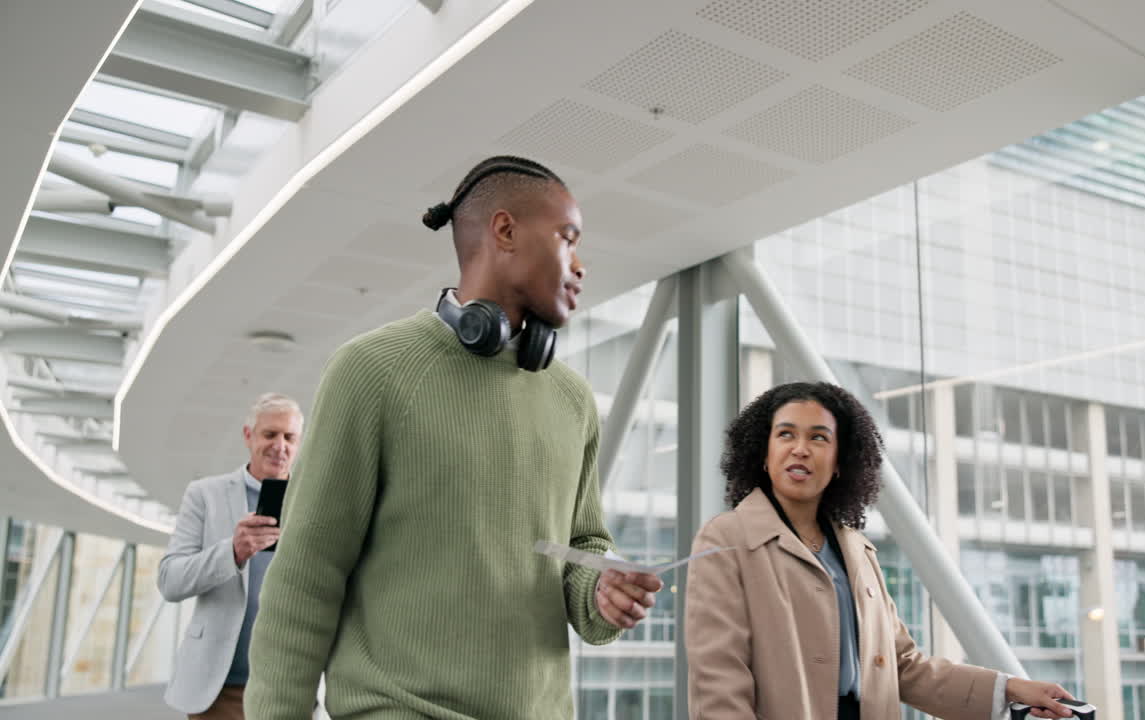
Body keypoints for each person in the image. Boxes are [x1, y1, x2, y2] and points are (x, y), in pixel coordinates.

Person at [245, 156, 662, 720]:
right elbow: (306, 574)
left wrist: (599, 590)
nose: (580, 264)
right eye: (568, 238)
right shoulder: (372, 370)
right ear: (505, 231)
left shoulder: (572, 400)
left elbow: (580, 543)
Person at [685, 382, 1078, 720]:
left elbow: (905, 667)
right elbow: (719, 681)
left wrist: (1011, 689)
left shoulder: (857, 549)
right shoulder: (726, 539)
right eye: (785, 435)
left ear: (840, 462)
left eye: (818, 437)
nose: (800, 449)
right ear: (763, 454)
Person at [157, 393, 304, 719]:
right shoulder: (205, 495)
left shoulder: (312, 503)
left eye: (289, 437)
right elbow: (170, 581)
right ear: (248, 436)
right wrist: (232, 552)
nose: (280, 445)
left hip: (289, 688)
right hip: (220, 689)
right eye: (270, 434)